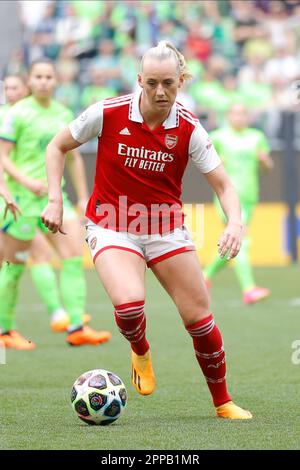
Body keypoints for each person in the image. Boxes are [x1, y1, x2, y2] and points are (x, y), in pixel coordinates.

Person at [41, 41, 252, 419]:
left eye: (168, 83)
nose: (159, 91)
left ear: (181, 81)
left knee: (200, 322)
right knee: (129, 304)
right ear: (139, 80)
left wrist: (235, 222)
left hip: (166, 229)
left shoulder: (190, 128)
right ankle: (140, 349)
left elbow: (225, 185)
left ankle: (223, 403)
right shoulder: (106, 112)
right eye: (151, 82)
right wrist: (55, 199)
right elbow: (57, 147)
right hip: (112, 226)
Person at [0, 60, 112, 349]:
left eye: (49, 76)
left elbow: (73, 157)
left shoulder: (63, 113)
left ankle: (76, 325)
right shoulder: (16, 113)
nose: (44, 81)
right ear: (30, 81)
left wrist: (84, 194)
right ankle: (4, 331)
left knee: (73, 255)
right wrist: (25, 182)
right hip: (23, 202)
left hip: (56, 199)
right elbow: (3, 156)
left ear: (56, 81)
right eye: (38, 76)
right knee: (14, 265)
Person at [204, 103, 273, 304]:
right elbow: (203, 163)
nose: (239, 117)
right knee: (240, 239)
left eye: (243, 113)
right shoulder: (218, 137)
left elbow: (268, 167)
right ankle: (249, 289)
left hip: (250, 197)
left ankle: (204, 275)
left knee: (232, 241)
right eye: (235, 113)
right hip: (227, 197)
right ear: (228, 116)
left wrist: (263, 161)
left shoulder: (256, 137)